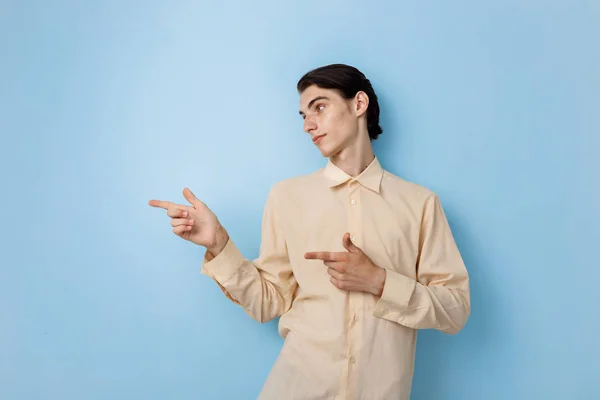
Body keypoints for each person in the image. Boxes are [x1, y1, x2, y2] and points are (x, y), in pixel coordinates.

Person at [149, 64, 470, 400]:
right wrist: (218, 244)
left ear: (358, 104)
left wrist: (379, 281)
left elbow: (456, 309)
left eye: (320, 107)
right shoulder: (287, 197)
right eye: (303, 115)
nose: (308, 125)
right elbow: (268, 302)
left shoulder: (419, 204)